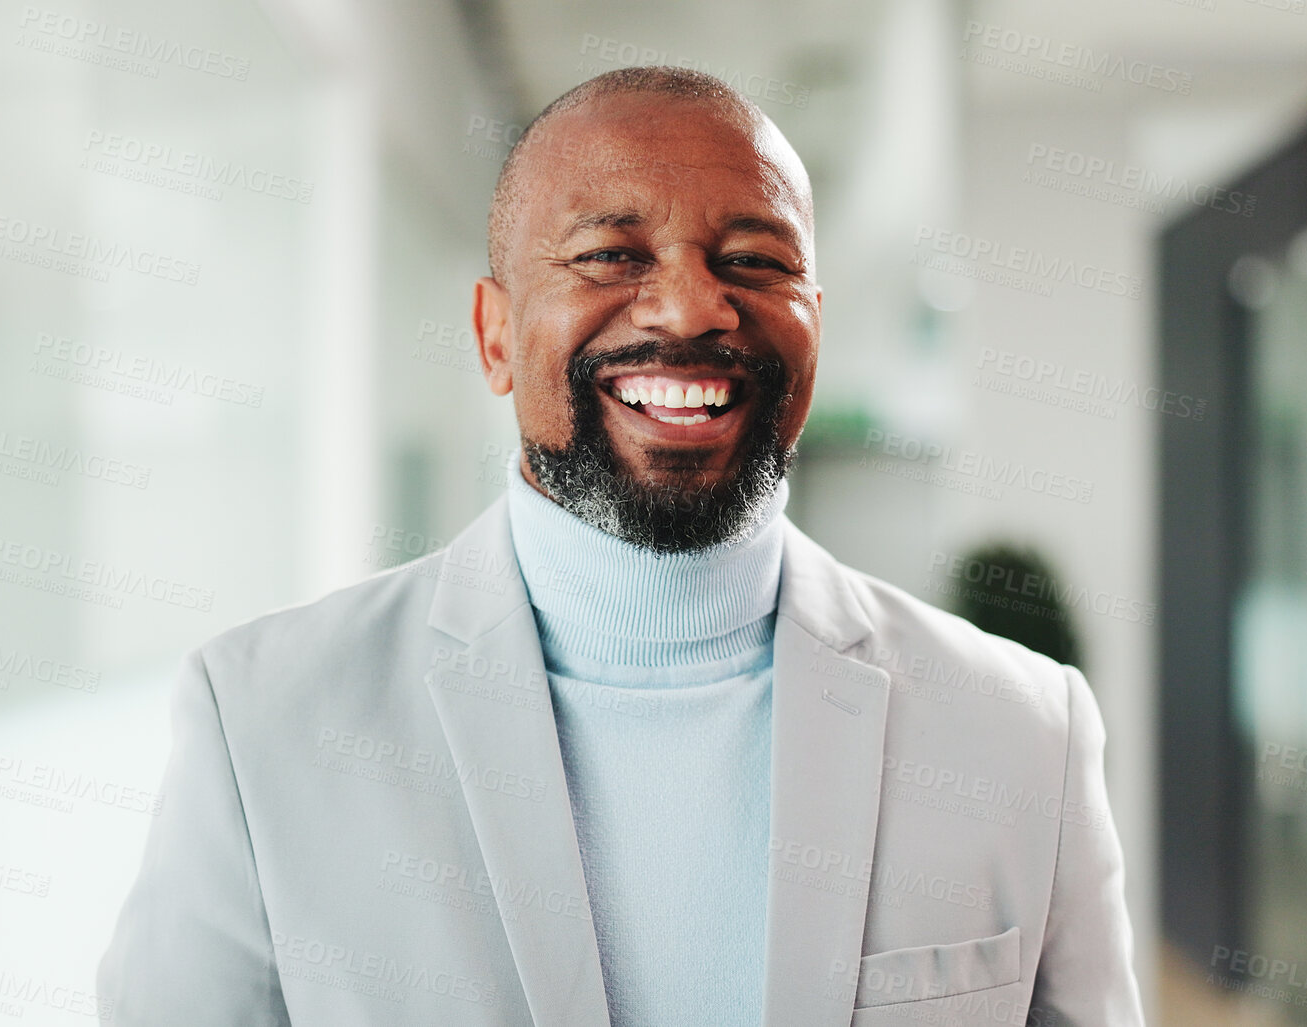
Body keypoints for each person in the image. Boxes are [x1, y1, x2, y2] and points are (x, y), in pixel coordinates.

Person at [98, 66, 1143, 1027]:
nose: (689, 306)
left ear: (815, 330)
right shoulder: (265, 721)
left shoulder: (1023, 731)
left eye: (753, 260)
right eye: (609, 254)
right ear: (495, 334)